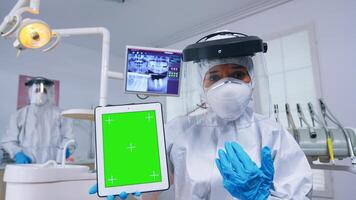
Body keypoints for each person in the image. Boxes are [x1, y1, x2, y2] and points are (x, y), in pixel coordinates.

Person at [90, 31, 313, 199]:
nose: (227, 86)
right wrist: (127, 189)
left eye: (237, 74)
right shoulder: (177, 131)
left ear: (252, 80)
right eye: (214, 78)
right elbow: (147, 189)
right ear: (201, 85)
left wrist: (260, 198)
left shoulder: (272, 133)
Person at [0, 77, 74, 164]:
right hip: (27, 165)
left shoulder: (61, 114)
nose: (40, 94)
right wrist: (17, 153)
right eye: (37, 90)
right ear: (31, 92)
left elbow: (69, 138)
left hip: (53, 164)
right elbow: (8, 140)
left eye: (44, 91)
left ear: (49, 93)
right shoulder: (19, 115)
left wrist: (66, 148)